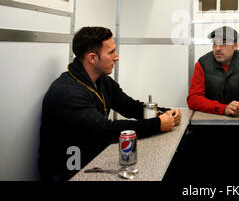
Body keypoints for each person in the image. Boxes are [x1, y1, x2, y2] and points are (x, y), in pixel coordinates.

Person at [39, 26, 181, 181]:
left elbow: (130, 106)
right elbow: (105, 131)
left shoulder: (102, 81)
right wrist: (157, 124)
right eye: (111, 52)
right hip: (69, 173)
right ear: (92, 58)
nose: (117, 57)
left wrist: (166, 113)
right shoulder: (67, 93)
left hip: (93, 162)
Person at [187, 26, 239, 118]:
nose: (217, 48)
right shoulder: (202, 64)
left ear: (236, 45)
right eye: (214, 43)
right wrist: (223, 108)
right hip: (209, 122)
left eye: (223, 43)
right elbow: (193, 99)